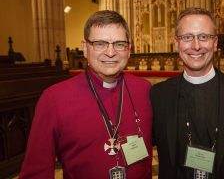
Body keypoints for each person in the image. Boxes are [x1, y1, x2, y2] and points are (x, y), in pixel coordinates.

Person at [19, 10, 152, 179]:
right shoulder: (54, 99)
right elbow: (36, 173)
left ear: (129, 49)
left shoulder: (144, 90)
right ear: (85, 48)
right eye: (100, 44)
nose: (110, 52)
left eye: (119, 44)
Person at [150, 7, 224, 179]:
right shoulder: (159, 95)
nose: (196, 46)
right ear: (176, 43)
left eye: (204, 37)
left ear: (215, 43)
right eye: (187, 37)